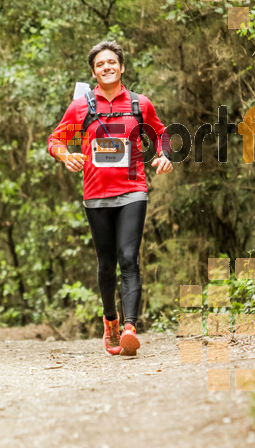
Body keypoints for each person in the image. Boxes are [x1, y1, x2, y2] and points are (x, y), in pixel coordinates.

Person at [48, 40, 173, 356]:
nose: (107, 67)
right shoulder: (81, 106)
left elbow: (162, 135)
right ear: (94, 71)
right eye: (100, 64)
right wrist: (66, 156)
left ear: (122, 67)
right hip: (96, 196)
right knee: (106, 265)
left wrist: (165, 155)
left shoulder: (139, 104)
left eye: (111, 62)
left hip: (133, 191)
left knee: (128, 258)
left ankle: (130, 328)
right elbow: (55, 140)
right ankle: (111, 322)